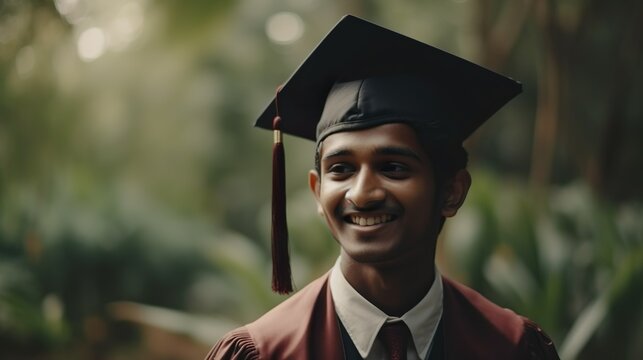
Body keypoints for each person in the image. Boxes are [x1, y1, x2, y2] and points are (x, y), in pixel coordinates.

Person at [206, 15, 559, 360]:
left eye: (393, 168)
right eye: (341, 169)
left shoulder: (510, 347)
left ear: (452, 191)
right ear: (317, 191)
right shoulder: (266, 352)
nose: (361, 194)